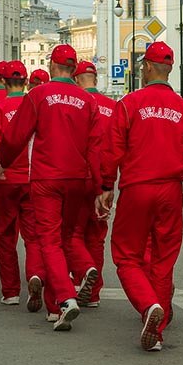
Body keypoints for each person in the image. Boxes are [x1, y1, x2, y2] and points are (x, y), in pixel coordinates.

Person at [96, 42, 183, 351]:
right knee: (163, 259)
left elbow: (112, 149)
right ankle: (158, 330)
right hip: (170, 191)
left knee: (126, 255)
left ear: (146, 68)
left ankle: (148, 307)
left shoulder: (130, 104)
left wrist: (107, 186)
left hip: (136, 189)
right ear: (169, 69)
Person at [0, 44, 102, 330]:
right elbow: (95, 147)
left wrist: (4, 162)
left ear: (53, 65)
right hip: (78, 179)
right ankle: (53, 308)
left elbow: (16, 135)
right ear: (74, 68)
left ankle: (66, 298)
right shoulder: (86, 100)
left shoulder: (39, 94)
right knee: (67, 237)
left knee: (49, 240)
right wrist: (99, 186)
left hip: (46, 177)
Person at [0, 62, 45, 309]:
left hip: (5, 179)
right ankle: (34, 274)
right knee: (33, 236)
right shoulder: (36, 106)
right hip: (32, 178)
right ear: (26, 81)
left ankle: (10, 292)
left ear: (2, 82)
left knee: (4, 235)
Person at [75, 59, 116, 307]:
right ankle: (94, 293)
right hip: (105, 181)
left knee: (73, 233)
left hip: (79, 177)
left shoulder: (77, 105)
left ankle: (81, 275)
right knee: (97, 236)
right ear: (96, 80)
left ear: (77, 81)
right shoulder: (113, 106)